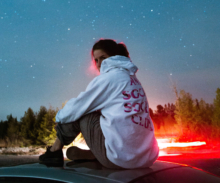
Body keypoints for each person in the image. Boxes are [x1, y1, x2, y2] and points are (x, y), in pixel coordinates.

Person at [39, 39, 159, 169]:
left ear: (114, 56)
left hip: (121, 160)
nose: (99, 64)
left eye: (103, 58)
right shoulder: (132, 79)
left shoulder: (109, 78)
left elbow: (77, 107)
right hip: (146, 158)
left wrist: (59, 118)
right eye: (96, 60)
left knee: (83, 112)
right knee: (96, 111)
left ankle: (54, 151)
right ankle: (97, 153)